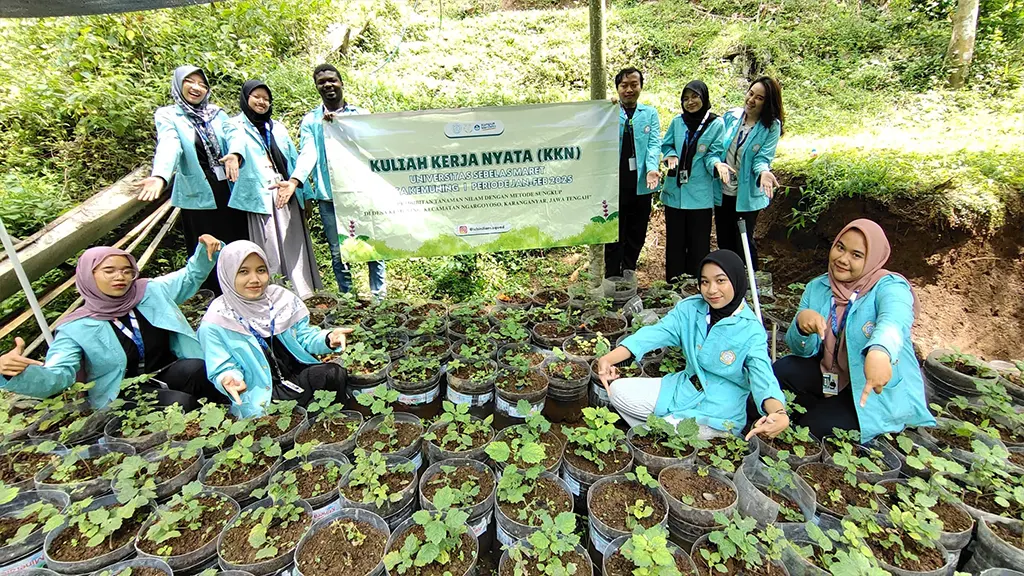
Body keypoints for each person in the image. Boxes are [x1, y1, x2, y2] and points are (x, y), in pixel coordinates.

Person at [0, 237, 226, 410]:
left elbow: (189, 277)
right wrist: (15, 374)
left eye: (127, 271)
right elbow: (59, 376)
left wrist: (206, 249)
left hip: (163, 372)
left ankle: (233, 415)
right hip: (119, 391)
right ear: (89, 275)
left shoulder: (148, 292)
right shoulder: (76, 327)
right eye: (109, 271)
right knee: (180, 403)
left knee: (201, 368)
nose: (120, 277)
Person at [598, 250, 788, 440]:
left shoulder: (751, 330)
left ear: (737, 280)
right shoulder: (691, 308)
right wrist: (608, 359)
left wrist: (779, 414)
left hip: (718, 410)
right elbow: (654, 334)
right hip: (682, 389)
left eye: (721, 280)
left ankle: (667, 436)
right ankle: (664, 433)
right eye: (705, 281)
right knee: (617, 391)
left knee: (669, 432)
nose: (712, 290)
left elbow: (763, 378)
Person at [772, 219, 934, 441]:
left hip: (870, 390)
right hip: (832, 375)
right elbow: (800, 351)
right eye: (840, 247)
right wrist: (801, 325)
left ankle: (841, 414)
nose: (842, 259)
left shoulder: (889, 287)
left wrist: (880, 350)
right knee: (782, 369)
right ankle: (827, 405)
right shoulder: (818, 287)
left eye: (856, 255)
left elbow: (894, 319)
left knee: (811, 429)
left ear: (872, 259)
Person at [198, 241, 351, 418]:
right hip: (264, 394)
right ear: (227, 273)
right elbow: (222, 366)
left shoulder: (279, 299)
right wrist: (229, 379)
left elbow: (304, 336)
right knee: (287, 421)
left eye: (261, 270)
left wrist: (329, 338)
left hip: (296, 376)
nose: (255, 279)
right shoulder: (217, 321)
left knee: (333, 373)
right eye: (243, 272)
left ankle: (336, 422)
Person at [274, 64, 386, 297]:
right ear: (317, 87)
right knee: (338, 251)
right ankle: (348, 300)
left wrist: (341, 126)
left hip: (361, 194)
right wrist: (294, 181)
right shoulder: (312, 121)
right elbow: (308, 153)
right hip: (329, 197)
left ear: (341, 83)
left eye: (332, 80)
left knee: (373, 247)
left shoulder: (359, 115)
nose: (327, 85)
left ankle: (379, 300)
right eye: (321, 82)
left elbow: (373, 147)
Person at [137, 66, 249, 293]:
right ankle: (217, 296)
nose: (197, 87)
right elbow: (170, 144)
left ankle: (244, 290)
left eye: (202, 83)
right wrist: (160, 175)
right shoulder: (169, 115)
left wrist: (235, 154)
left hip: (227, 188)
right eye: (190, 81)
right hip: (198, 193)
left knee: (236, 242)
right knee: (209, 246)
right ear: (179, 84)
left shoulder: (217, 114)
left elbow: (235, 134)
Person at [229, 80, 322, 299]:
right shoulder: (235, 125)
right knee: (269, 247)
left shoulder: (276, 127)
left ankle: (303, 294)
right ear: (245, 98)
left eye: (266, 98)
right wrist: (234, 155)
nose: (261, 102)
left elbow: (292, 158)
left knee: (295, 244)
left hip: (287, 190)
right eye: (256, 97)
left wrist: (305, 194)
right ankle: (275, 295)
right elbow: (236, 143)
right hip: (260, 195)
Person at [713, 76, 784, 270]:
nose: (751, 100)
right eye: (750, 93)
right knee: (724, 239)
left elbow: (762, 158)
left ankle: (752, 281)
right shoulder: (731, 116)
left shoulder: (771, 126)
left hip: (746, 194)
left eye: (759, 98)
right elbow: (717, 147)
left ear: (768, 103)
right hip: (723, 189)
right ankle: (728, 279)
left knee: (743, 239)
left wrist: (764, 173)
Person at [660, 80, 726, 281]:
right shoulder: (677, 122)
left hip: (699, 195)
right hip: (675, 194)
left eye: (695, 97)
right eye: (686, 98)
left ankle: (697, 286)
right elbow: (667, 144)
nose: (690, 102)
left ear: (704, 98)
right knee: (675, 244)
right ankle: (672, 288)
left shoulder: (716, 124)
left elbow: (712, 154)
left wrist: (717, 165)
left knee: (698, 245)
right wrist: (670, 155)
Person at [604, 67, 662, 279]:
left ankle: (629, 270)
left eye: (634, 85)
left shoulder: (649, 114)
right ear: (617, 88)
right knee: (614, 230)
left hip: (641, 183)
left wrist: (652, 168)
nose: (629, 89)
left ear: (641, 87)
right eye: (624, 85)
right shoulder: (609, 111)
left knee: (637, 231)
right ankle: (611, 275)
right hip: (615, 185)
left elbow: (654, 144)